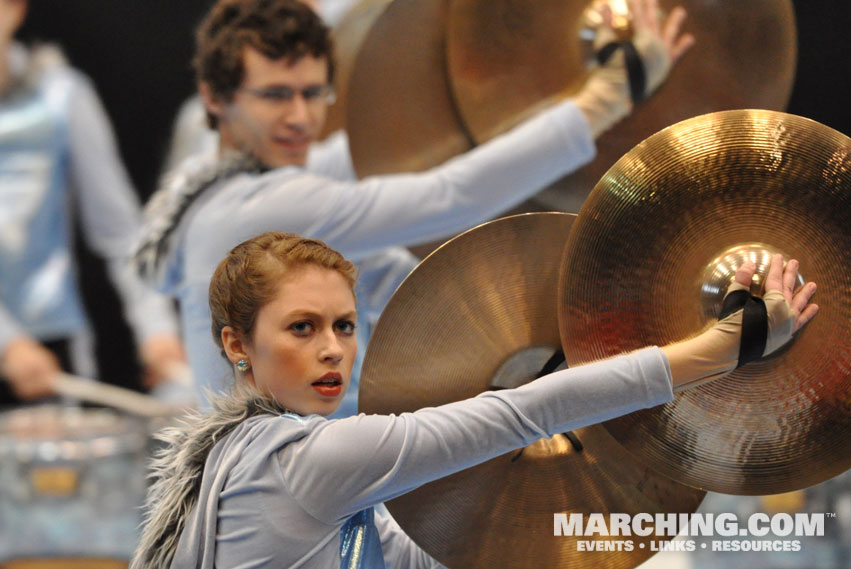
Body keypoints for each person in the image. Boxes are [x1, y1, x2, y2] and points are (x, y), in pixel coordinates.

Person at [130, 231, 818, 568]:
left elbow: (427, 550)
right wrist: (727, 345)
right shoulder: (305, 460)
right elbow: (526, 411)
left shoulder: (252, 460)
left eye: (343, 325)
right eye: (301, 328)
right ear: (235, 343)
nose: (334, 348)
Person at [134, 0, 695, 406]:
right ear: (213, 98)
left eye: (313, 93)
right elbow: (452, 194)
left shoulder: (229, 190)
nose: (301, 118)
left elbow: (417, 149)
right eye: (276, 96)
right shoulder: (265, 204)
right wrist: (607, 97)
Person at [0, 0, 186, 403]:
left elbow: (120, 233)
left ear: (15, 9)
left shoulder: (61, 93)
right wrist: (7, 343)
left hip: (49, 345)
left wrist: (157, 332)